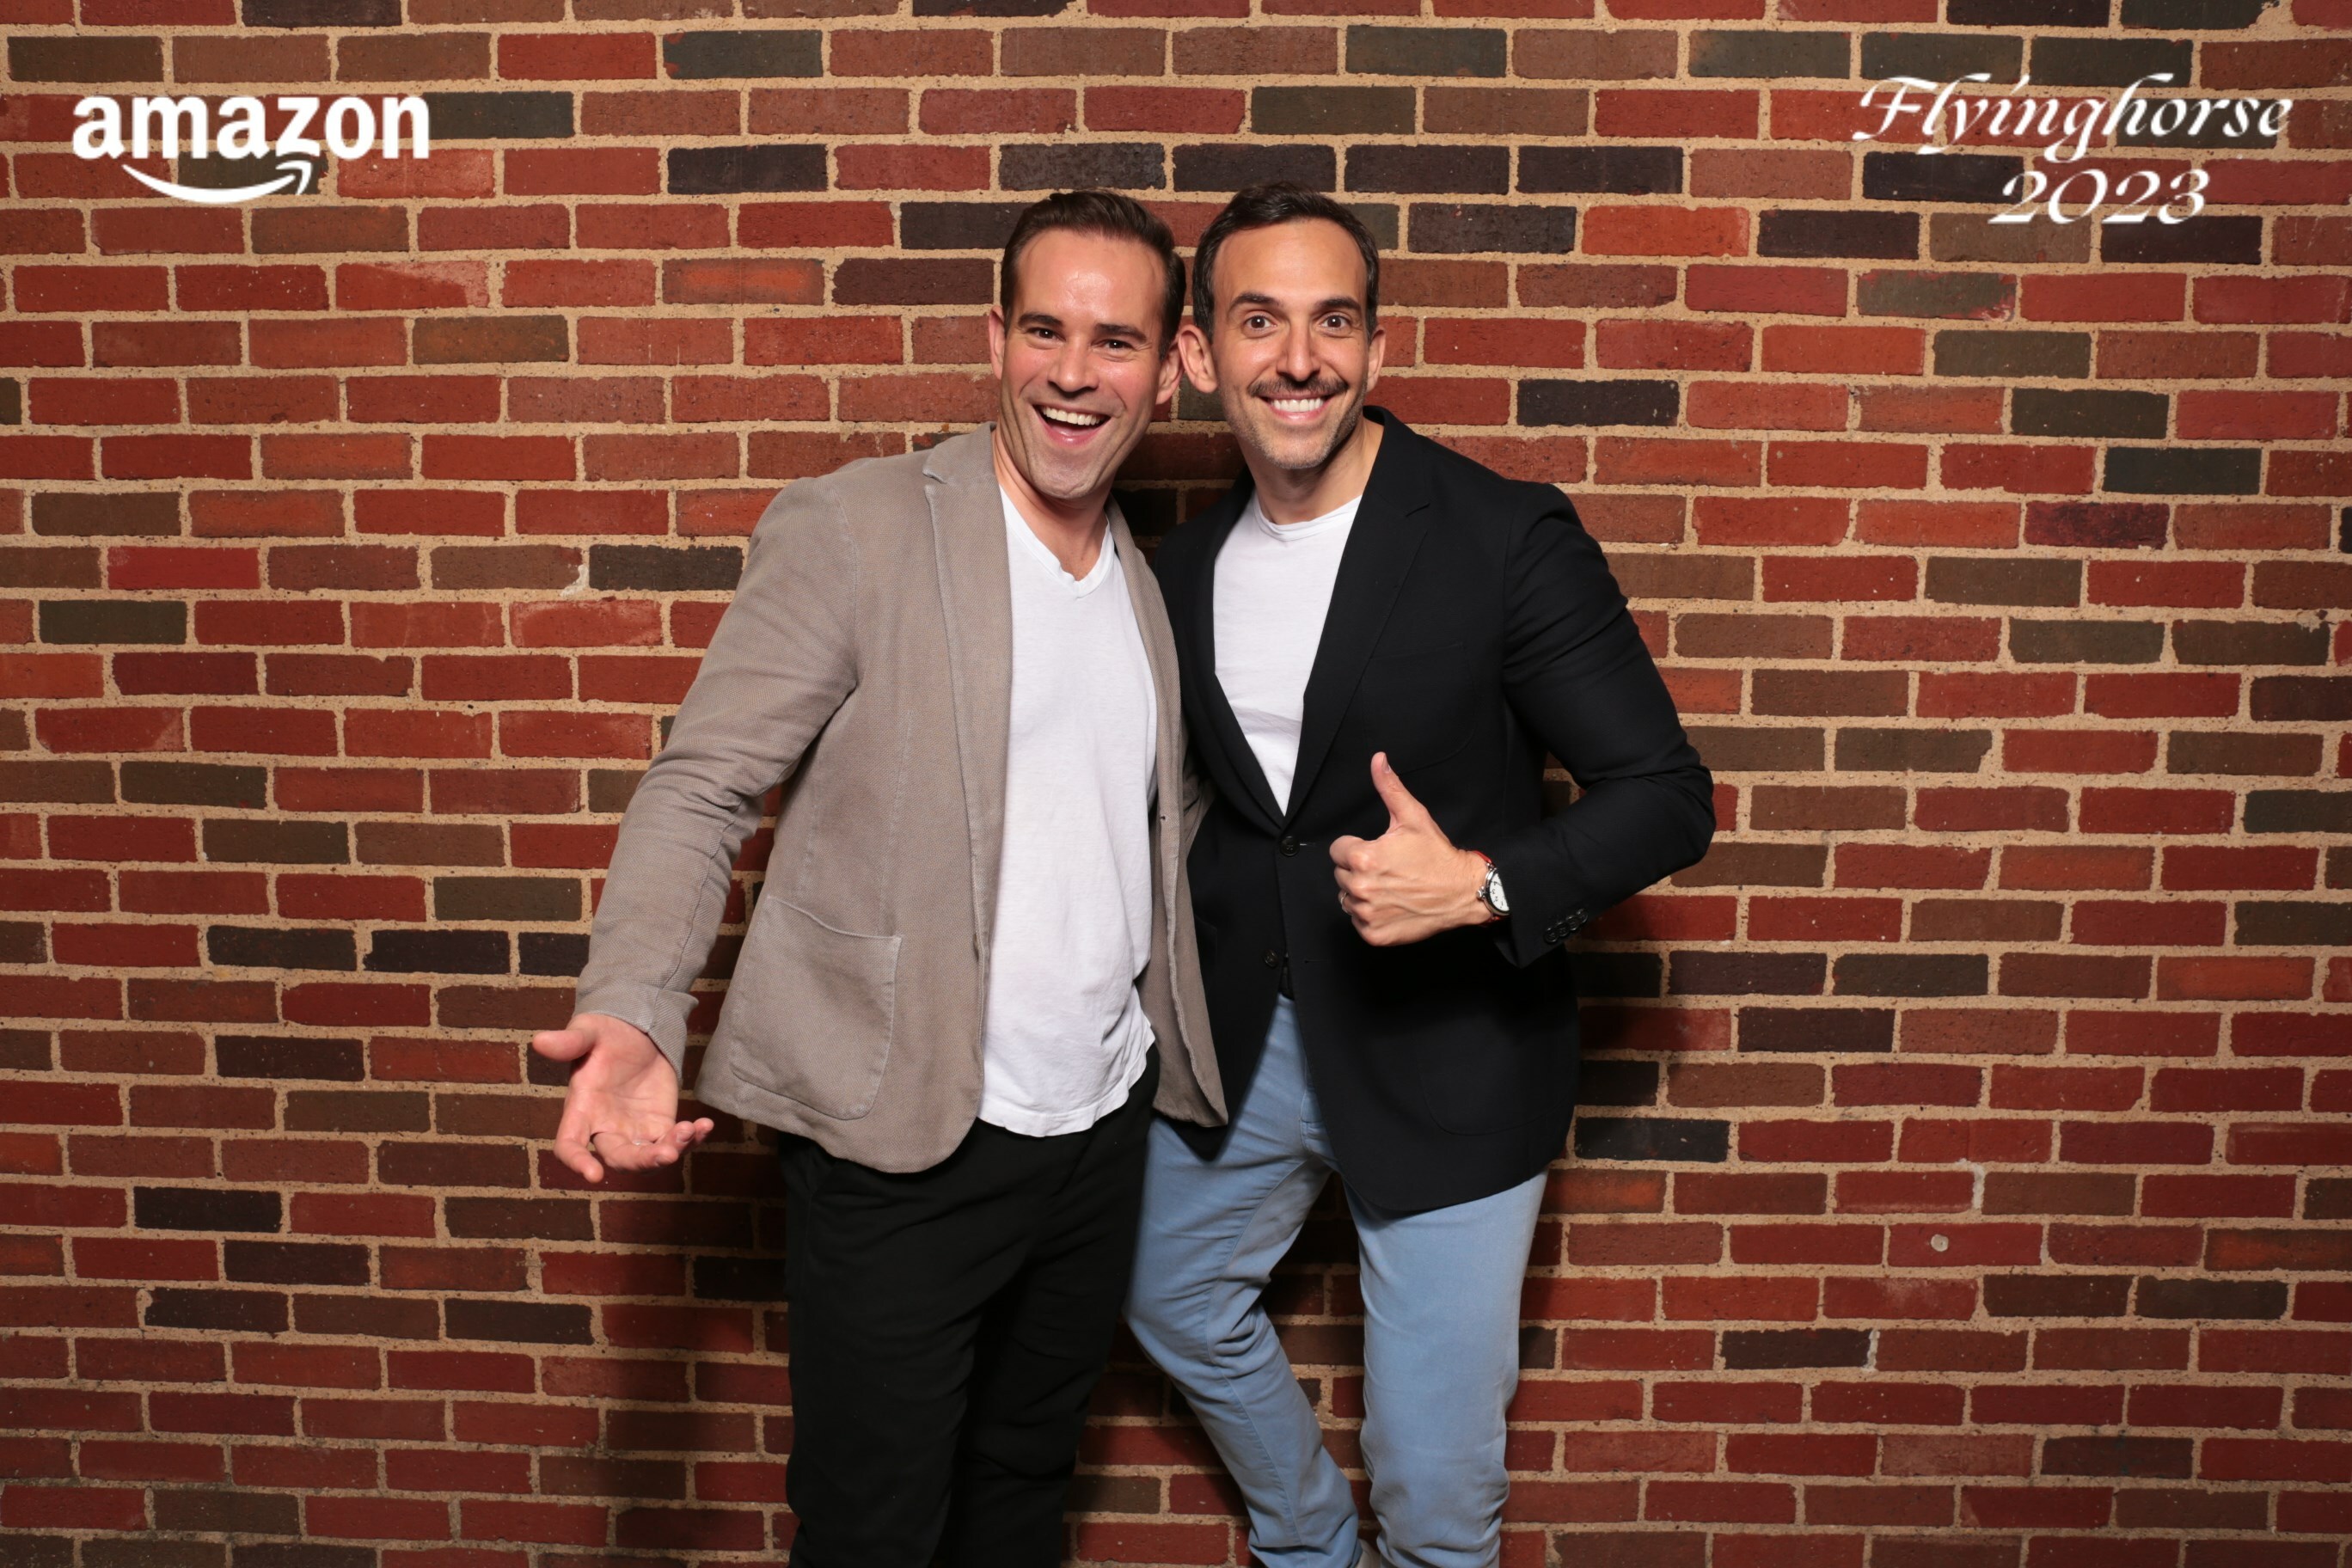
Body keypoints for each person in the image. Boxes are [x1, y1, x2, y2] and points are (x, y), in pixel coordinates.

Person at [528, 189, 1225, 1568]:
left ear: (1169, 367)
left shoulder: (1143, 580)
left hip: (1096, 1130)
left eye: (1116, 341)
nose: (1074, 373)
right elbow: (703, 783)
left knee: (1021, 1492)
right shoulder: (860, 527)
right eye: (1045, 331)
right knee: (873, 1529)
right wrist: (638, 1004)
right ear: (995, 337)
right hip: (906, 1140)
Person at [1124, 183, 1717, 1568]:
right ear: (1199, 354)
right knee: (1163, 1291)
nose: (1300, 358)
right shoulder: (1176, 571)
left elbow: (1667, 797)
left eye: (1334, 321)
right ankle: (1309, 1541)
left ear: (1377, 348)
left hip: (1453, 1051)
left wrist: (1484, 887)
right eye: (1259, 321)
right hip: (1252, 1045)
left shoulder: (1504, 537)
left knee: (1437, 1494)